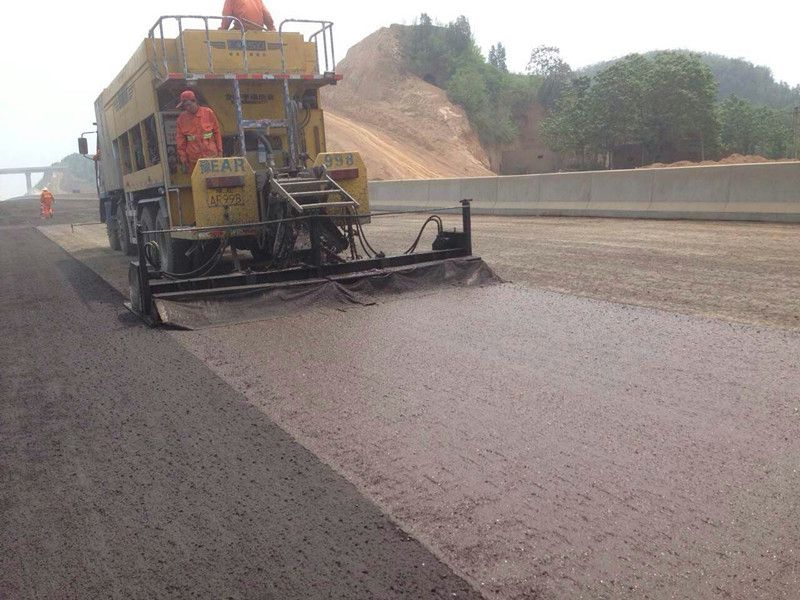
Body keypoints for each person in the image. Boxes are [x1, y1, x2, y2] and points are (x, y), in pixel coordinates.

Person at [175, 90, 223, 174]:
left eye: (188, 105)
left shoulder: (208, 113)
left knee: (214, 180)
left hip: (211, 158)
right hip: (194, 160)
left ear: (194, 101)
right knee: (198, 181)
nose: (187, 108)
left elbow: (217, 133)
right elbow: (180, 141)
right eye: (185, 106)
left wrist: (220, 151)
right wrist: (184, 159)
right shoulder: (181, 119)